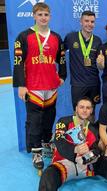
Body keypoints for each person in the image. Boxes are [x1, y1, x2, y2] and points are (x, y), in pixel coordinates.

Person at [13, 2, 66, 170]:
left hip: (51, 86)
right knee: (34, 120)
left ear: (50, 17)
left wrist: (62, 76)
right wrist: (21, 85)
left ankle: (45, 142)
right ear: (34, 16)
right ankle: (36, 151)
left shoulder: (56, 37)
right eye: (40, 14)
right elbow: (18, 63)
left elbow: (62, 58)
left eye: (46, 15)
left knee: (49, 117)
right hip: (33, 86)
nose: (43, 18)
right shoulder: (23, 36)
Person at [38, 97, 107, 191]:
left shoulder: (93, 128)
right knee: (49, 174)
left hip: (86, 166)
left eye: (88, 108)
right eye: (81, 107)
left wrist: (94, 154)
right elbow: (59, 141)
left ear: (91, 111)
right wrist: (75, 149)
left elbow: (95, 149)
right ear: (76, 108)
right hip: (64, 163)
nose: (84, 110)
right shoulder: (64, 121)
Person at [64, 11, 102, 110]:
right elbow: (60, 53)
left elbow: (100, 65)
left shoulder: (98, 40)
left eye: (92, 22)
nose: (89, 24)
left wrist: (101, 63)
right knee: (77, 114)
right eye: (86, 21)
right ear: (81, 21)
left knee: (91, 113)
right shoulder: (71, 38)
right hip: (78, 85)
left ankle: (90, 126)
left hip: (94, 83)